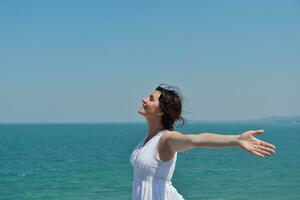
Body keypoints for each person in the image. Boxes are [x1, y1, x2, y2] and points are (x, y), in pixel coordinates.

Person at [130, 84, 276, 200]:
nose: (144, 99)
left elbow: (196, 139)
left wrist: (236, 139)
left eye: (151, 98)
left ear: (161, 111)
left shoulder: (167, 139)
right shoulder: (145, 140)